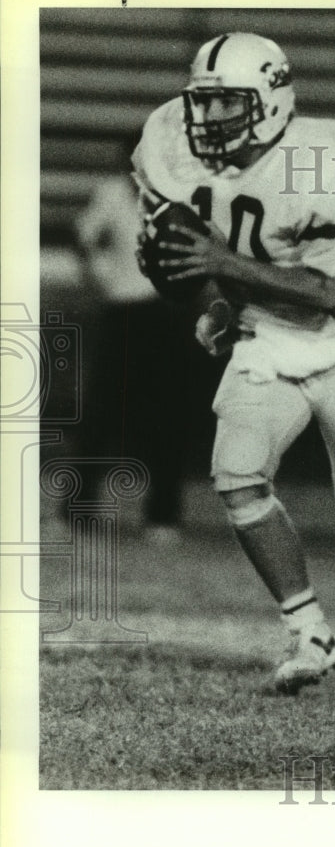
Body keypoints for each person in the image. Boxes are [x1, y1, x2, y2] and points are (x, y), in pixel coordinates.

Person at [132, 32, 335, 695]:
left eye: (226, 105)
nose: (207, 121)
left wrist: (219, 268)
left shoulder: (321, 154)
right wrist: (219, 299)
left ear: (270, 101)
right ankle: (310, 633)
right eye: (202, 104)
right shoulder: (170, 145)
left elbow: (326, 294)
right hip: (264, 331)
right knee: (236, 477)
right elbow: (181, 248)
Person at [73, 135, 190, 542]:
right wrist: (102, 278)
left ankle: (163, 516)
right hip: (122, 312)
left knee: (166, 417)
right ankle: (79, 508)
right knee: (100, 411)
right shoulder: (110, 194)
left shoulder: (182, 199)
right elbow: (85, 239)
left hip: (165, 314)